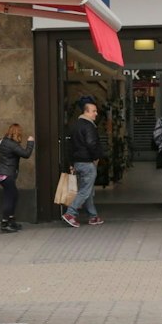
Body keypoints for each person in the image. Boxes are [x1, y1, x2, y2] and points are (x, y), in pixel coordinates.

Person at [63, 96, 106, 227]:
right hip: (87, 163)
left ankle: (93, 216)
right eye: (94, 111)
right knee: (85, 191)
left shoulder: (74, 126)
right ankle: (70, 213)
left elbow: (70, 146)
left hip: (78, 163)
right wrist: (96, 158)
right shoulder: (89, 126)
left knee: (87, 190)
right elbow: (91, 144)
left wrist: (71, 163)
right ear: (86, 111)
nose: (96, 114)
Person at [0, 123, 34, 233]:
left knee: (14, 195)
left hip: (1, 174)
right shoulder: (12, 144)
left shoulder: (2, 141)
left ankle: (11, 220)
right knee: (10, 197)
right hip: (7, 175)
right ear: (17, 133)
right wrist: (30, 142)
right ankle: (5, 223)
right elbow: (26, 154)